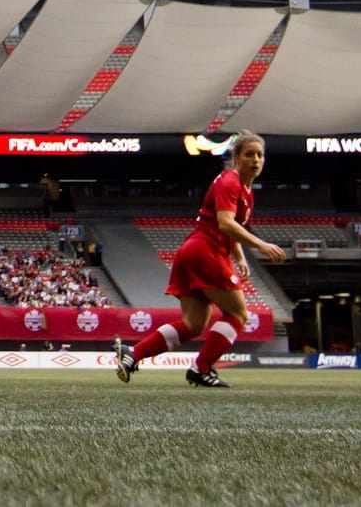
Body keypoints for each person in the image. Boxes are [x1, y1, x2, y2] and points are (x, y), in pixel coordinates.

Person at [115, 131, 286, 388]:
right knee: (238, 313)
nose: (256, 160)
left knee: (193, 325)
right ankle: (201, 368)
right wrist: (262, 245)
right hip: (207, 250)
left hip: (192, 251)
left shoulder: (246, 191)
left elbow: (233, 227)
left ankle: (134, 354)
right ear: (236, 158)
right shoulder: (231, 181)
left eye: (260, 155)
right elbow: (225, 223)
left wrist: (240, 257)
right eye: (249, 154)